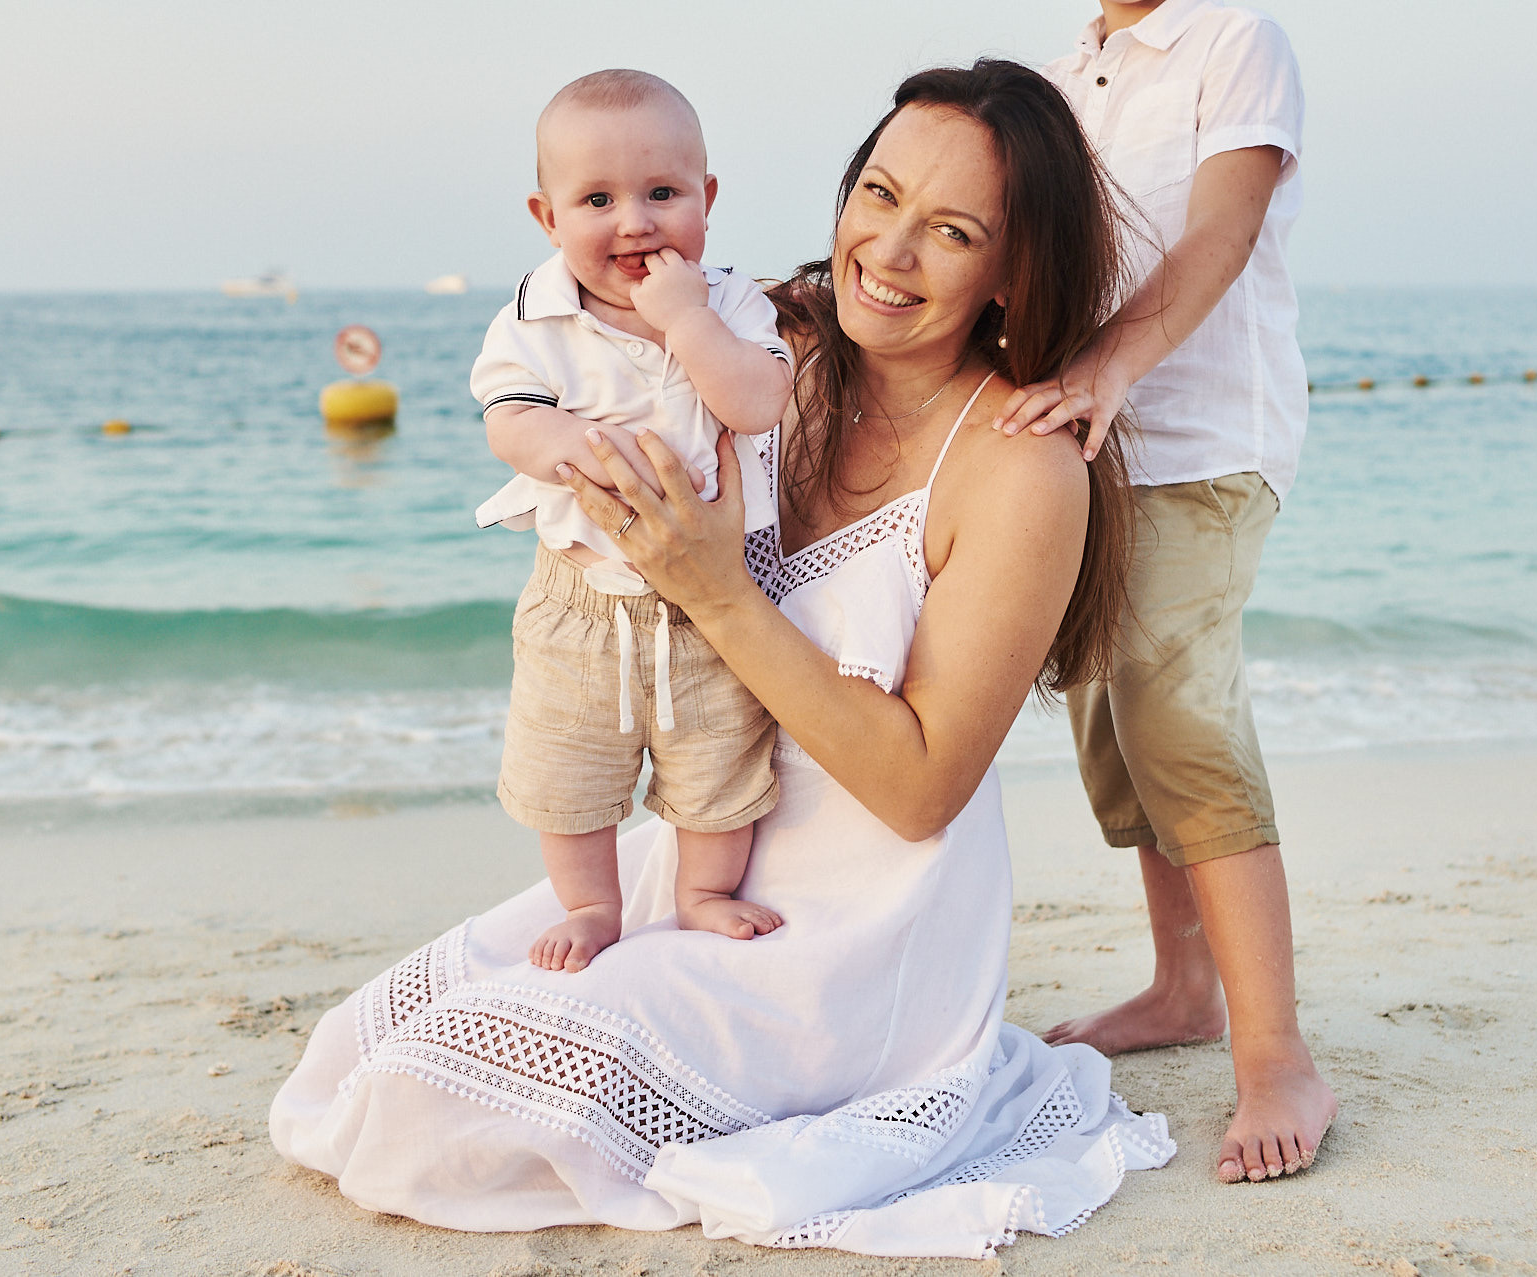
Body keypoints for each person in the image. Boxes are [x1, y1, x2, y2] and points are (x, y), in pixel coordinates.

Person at [270, 61, 1172, 1258]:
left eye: (952, 232)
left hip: (855, 933)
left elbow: (920, 790)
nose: (890, 251)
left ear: (1013, 268)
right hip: (700, 846)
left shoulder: (1020, 465)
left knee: (435, 1104)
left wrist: (713, 586)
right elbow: (575, 351)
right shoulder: (774, 348)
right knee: (368, 1051)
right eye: (878, 194)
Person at [997, 0, 1339, 1183]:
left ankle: (1276, 1055)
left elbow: (1218, 234)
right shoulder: (1052, 86)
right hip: (1088, 450)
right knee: (1113, 725)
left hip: (1204, 445)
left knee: (1178, 718)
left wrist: (1112, 366)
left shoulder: (1235, 45)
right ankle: (1181, 984)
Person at [471, 69, 794, 971]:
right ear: (547, 217)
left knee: (721, 763)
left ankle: (703, 891)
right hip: (583, 597)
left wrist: (686, 321)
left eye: (662, 193)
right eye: (597, 200)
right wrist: (573, 442)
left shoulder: (729, 302)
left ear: (707, 199)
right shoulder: (535, 317)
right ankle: (591, 903)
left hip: (713, 601)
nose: (635, 222)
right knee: (568, 768)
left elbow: (760, 400)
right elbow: (508, 421)